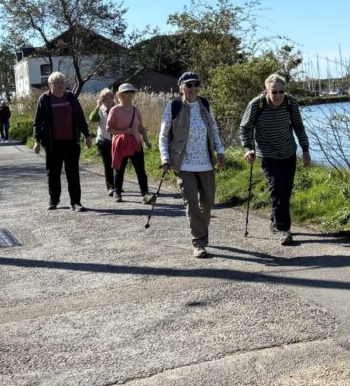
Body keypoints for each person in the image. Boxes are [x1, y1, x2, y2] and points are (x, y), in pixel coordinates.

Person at [159, 72, 226, 258]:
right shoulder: (174, 106)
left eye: (196, 84)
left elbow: (214, 130)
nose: (193, 88)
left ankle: (201, 232)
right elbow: (163, 135)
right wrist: (165, 158)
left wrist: (220, 151)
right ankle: (199, 242)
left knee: (208, 202)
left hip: (206, 163)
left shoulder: (205, 104)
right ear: (181, 87)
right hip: (184, 164)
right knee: (192, 204)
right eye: (189, 85)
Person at [239, 73, 311, 245]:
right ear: (267, 90)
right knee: (277, 188)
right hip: (267, 154)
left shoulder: (290, 102)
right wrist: (248, 149)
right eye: (274, 92)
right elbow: (244, 128)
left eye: (281, 92)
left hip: (288, 152)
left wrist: (305, 150)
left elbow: (299, 127)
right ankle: (283, 229)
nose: (278, 96)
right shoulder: (256, 104)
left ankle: (275, 220)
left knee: (285, 191)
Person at [32, 71, 93, 211]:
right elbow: (37, 122)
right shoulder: (44, 99)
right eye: (56, 83)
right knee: (53, 173)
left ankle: (75, 202)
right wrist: (37, 140)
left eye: (62, 82)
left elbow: (80, 117)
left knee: (73, 173)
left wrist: (87, 136)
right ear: (50, 84)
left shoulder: (70, 97)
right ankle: (54, 199)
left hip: (71, 142)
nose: (60, 85)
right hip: (53, 144)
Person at [106, 83, 155, 204]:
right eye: (126, 92)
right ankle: (117, 192)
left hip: (136, 143)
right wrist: (123, 131)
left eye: (132, 92)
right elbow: (109, 129)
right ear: (120, 95)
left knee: (140, 170)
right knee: (119, 169)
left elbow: (140, 127)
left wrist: (146, 140)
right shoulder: (115, 110)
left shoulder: (136, 110)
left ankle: (145, 194)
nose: (130, 94)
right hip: (120, 144)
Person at [88, 88, 116, 196]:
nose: (108, 100)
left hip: (117, 140)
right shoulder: (100, 109)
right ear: (102, 100)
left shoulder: (118, 108)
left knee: (117, 163)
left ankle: (117, 184)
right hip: (103, 140)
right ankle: (110, 187)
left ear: (113, 98)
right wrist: (97, 105)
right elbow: (92, 118)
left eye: (110, 97)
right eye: (105, 98)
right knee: (108, 164)